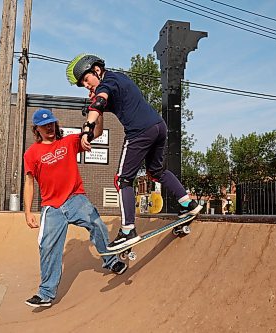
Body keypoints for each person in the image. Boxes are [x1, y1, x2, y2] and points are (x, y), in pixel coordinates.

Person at [66, 54, 202, 251]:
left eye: (86, 80)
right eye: (82, 84)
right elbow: (100, 129)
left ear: (96, 70)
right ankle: (187, 203)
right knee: (156, 172)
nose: (86, 85)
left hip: (139, 132)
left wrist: (87, 125)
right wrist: (94, 115)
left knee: (122, 180)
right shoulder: (118, 80)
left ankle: (128, 230)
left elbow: (100, 103)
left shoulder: (108, 82)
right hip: (158, 127)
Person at [23, 108, 127, 308]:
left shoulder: (68, 142)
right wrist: (28, 212)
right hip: (51, 207)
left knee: (96, 223)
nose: (49, 127)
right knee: (47, 247)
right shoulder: (32, 153)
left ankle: (111, 261)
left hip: (75, 199)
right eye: (45, 125)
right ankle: (46, 293)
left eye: (52, 123)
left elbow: (95, 133)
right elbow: (29, 183)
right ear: (36, 129)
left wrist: (99, 112)